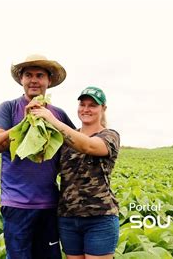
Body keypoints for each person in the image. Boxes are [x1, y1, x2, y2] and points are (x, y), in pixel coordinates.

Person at [0, 54, 75, 259]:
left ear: (49, 81)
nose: (34, 80)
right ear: (21, 79)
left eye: (40, 75)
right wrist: (24, 122)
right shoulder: (8, 108)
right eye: (28, 75)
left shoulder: (58, 115)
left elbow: (76, 145)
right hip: (16, 204)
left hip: (49, 205)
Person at [28, 86, 120, 259]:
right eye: (82, 104)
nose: (86, 109)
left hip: (99, 217)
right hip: (68, 217)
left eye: (92, 105)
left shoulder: (110, 136)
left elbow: (88, 146)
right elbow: (44, 163)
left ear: (103, 109)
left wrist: (52, 119)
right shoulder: (64, 138)